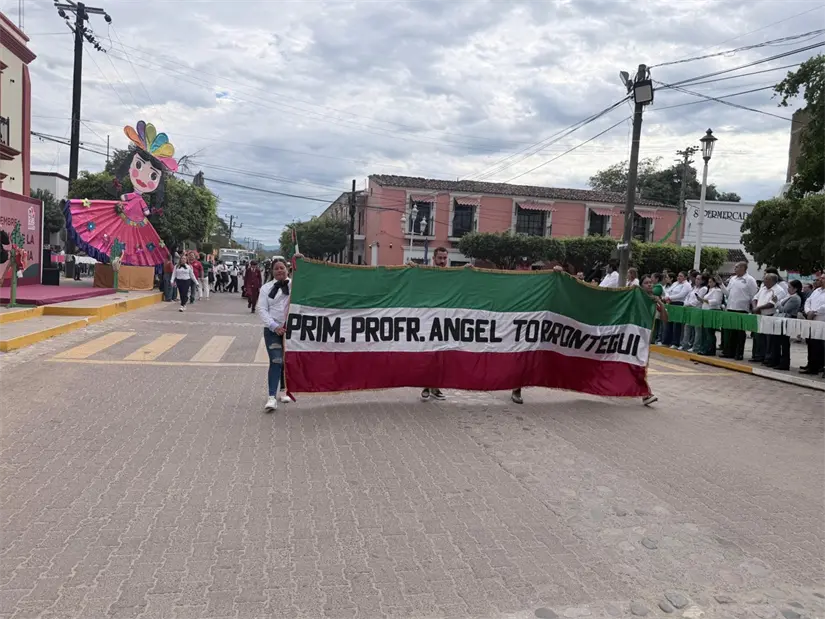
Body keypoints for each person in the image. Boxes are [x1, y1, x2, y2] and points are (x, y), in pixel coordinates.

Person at [256, 257, 300, 411]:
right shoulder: (266, 289)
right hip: (272, 331)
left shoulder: (295, 285)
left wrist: (301, 263)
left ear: (287, 269)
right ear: (272, 271)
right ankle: (271, 397)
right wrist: (274, 326)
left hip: (291, 331)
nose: (280, 270)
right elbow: (261, 309)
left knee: (286, 361)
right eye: (276, 268)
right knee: (276, 360)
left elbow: (307, 280)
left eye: (282, 268)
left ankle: (283, 390)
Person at [419, 247, 450, 402]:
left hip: (444, 321)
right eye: (440, 258)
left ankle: (436, 387)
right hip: (428, 320)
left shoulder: (452, 275)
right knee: (428, 353)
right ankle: (426, 386)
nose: (442, 261)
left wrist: (468, 273)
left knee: (441, 355)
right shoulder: (426, 274)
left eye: (445, 258)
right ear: (434, 258)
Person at [719, 262, 758, 360]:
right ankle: (729, 352)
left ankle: (739, 353)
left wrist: (752, 307)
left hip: (742, 309)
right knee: (730, 332)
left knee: (740, 333)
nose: (735, 269)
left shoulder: (750, 280)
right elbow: (728, 293)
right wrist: (721, 284)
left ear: (743, 268)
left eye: (737, 267)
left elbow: (754, 295)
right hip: (731, 307)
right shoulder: (733, 279)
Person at [640, 274, 667, 406]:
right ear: (641, 286)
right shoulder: (637, 298)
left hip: (646, 339)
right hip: (634, 337)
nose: (650, 285)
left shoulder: (654, 301)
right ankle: (645, 394)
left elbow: (665, 319)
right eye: (646, 283)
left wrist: (660, 303)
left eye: (651, 282)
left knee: (640, 366)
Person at [750, 272, 786, 363]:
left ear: (771, 280)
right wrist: (755, 307)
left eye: (765, 279)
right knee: (758, 337)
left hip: (770, 316)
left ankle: (768, 357)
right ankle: (758, 356)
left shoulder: (779, 290)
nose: (763, 280)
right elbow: (755, 298)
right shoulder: (763, 288)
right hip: (759, 315)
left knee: (769, 339)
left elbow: (772, 303)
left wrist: (759, 308)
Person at [770, 280, 803, 371]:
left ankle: (784, 363)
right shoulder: (789, 296)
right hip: (781, 320)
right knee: (778, 341)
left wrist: (776, 302)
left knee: (784, 343)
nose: (788, 289)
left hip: (787, 320)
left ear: (795, 289)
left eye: (790, 287)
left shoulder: (795, 298)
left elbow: (784, 309)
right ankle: (777, 360)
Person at [800, 273, 825, 376]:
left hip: (821, 320)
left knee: (820, 347)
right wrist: (808, 311)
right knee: (811, 344)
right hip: (811, 321)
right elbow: (808, 302)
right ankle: (811, 365)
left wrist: (814, 312)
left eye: (823, 278)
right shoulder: (816, 291)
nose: (821, 280)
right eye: (821, 278)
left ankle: (818, 366)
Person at [696, 275, 724, 356]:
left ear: (715, 282)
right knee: (705, 332)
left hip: (712, 311)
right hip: (706, 311)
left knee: (710, 332)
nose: (709, 283)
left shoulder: (717, 290)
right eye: (708, 282)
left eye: (711, 282)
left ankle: (710, 349)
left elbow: (716, 301)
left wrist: (704, 300)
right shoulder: (709, 290)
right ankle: (704, 348)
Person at [662, 272, 690, 348]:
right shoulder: (675, 283)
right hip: (671, 303)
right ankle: (667, 341)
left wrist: (670, 298)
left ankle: (675, 342)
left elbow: (681, 295)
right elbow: (668, 291)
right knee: (669, 322)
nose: (679, 277)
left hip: (679, 304)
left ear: (685, 277)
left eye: (681, 276)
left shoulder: (686, 285)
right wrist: (667, 297)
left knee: (676, 324)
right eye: (678, 276)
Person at [680, 274, 707, 352]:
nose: (696, 280)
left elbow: (698, 300)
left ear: (703, 281)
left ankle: (696, 346)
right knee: (687, 327)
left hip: (697, 310)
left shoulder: (703, 289)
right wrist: (686, 303)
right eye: (696, 279)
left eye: (699, 279)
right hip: (690, 310)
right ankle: (685, 344)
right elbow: (688, 297)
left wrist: (689, 304)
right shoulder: (694, 288)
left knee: (697, 329)